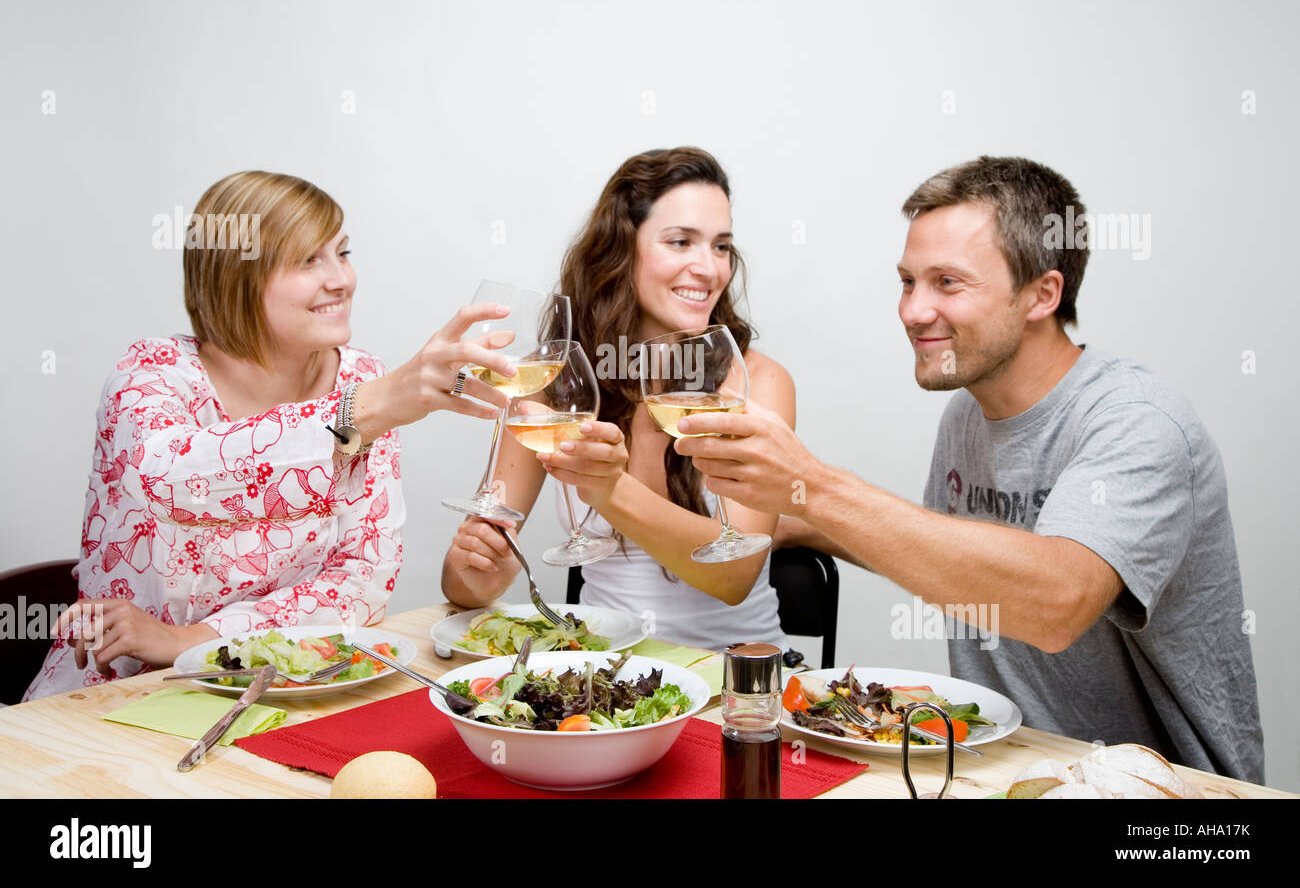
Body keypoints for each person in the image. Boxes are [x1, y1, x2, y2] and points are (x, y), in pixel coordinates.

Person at [675, 156, 1265, 782]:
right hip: (1009, 769)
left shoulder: (1137, 421)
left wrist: (817, 487)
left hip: (1166, 796)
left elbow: (1055, 605)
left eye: (948, 283)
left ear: (1043, 293)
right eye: (907, 281)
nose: (912, 311)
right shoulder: (968, 411)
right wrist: (801, 523)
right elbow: (955, 555)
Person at [25, 171, 516, 700]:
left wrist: (191, 640)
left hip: (285, 685)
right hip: (120, 689)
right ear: (237, 276)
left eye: (343, 253)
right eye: (308, 260)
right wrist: (363, 410)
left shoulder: (360, 382)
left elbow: (358, 582)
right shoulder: (152, 375)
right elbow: (170, 482)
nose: (341, 280)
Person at [440, 147, 796, 650]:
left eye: (721, 247)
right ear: (622, 249)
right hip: (604, 675)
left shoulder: (756, 382)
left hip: (731, 681)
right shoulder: (557, 384)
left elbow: (734, 575)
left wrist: (607, 490)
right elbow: (466, 589)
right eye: (681, 242)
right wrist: (477, 570)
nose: (709, 268)